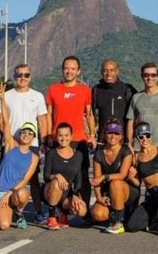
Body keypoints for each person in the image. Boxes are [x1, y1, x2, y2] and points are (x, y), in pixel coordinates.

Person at [0, 64, 48, 224]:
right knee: (8, 177)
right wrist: (9, 140)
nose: (23, 78)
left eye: (26, 75)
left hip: (32, 144)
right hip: (12, 144)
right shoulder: (7, 95)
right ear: (14, 76)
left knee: (32, 179)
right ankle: (6, 206)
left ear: (30, 77)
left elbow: (42, 120)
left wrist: (44, 142)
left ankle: (38, 211)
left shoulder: (38, 96)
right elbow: (0, 119)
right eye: (19, 75)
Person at [46, 56, 96, 211]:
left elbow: (89, 114)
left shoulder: (85, 90)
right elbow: (48, 114)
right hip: (58, 139)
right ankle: (55, 212)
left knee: (83, 177)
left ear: (78, 71)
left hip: (78, 140)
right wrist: (48, 135)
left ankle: (84, 208)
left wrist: (92, 135)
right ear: (62, 70)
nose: (69, 71)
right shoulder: (53, 89)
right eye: (67, 68)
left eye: (73, 68)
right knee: (55, 177)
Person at [0, 83, 39, 230]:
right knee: (4, 226)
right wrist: (2, 99)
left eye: (30, 133)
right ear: (20, 134)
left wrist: (10, 193)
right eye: (24, 132)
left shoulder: (34, 157)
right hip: (0, 192)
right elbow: (6, 121)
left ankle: (18, 212)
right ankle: (2, 210)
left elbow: (25, 179)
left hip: (14, 193)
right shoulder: (11, 145)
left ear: (33, 137)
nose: (26, 135)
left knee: (24, 193)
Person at [91, 119, 140, 234]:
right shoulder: (98, 154)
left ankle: (118, 223)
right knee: (98, 214)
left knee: (115, 183)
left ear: (121, 136)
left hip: (126, 190)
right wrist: (99, 198)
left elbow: (122, 175)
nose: (113, 136)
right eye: (110, 132)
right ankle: (116, 212)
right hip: (109, 192)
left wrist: (104, 177)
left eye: (116, 133)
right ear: (104, 134)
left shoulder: (126, 151)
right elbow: (96, 181)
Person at [43, 122, 87, 230]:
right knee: (56, 183)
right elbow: (46, 176)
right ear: (56, 137)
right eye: (60, 135)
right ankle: (52, 217)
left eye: (66, 135)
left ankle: (62, 213)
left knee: (82, 210)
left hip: (66, 194)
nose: (63, 138)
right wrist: (57, 176)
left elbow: (78, 177)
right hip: (50, 190)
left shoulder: (78, 155)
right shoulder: (51, 153)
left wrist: (76, 194)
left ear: (71, 136)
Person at [126, 62, 158, 152]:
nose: (150, 78)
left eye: (153, 75)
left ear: (157, 77)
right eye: (146, 75)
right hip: (140, 148)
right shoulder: (136, 97)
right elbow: (130, 122)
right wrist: (129, 142)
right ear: (142, 76)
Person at [92, 59, 137, 141]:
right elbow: (89, 114)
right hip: (103, 140)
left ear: (117, 71)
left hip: (123, 141)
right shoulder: (96, 90)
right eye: (105, 70)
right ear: (101, 72)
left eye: (111, 70)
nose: (108, 73)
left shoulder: (127, 89)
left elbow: (142, 100)